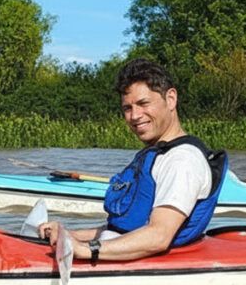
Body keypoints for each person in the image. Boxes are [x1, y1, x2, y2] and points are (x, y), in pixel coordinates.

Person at [38, 58, 227, 262]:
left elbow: (158, 236)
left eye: (143, 104)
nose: (135, 116)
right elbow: (123, 228)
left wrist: (86, 250)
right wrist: (70, 235)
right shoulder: (158, 154)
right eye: (127, 108)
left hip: (154, 262)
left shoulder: (182, 161)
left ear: (171, 99)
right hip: (124, 249)